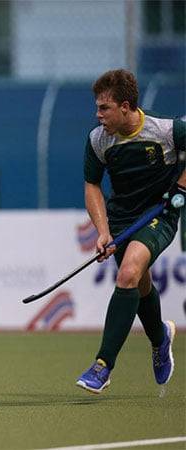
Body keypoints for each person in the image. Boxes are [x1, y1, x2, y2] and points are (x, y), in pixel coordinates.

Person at [77, 68, 186, 394]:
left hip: (160, 214)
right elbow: (92, 185)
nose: (98, 115)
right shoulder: (99, 139)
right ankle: (160, 337)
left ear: (126, 106)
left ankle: (102, 365)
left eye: (104, 108)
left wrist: (181, 188)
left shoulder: (166, 131)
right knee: (138, 283)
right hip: (123, 219)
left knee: (128, 273)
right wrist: (102, 231)